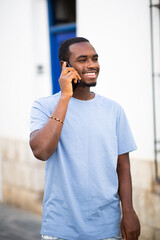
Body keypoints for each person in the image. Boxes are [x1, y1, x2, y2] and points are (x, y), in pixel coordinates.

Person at [30, 37, 140, 240]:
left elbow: (123, 166)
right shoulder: (43, 106)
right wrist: (65, 97)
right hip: (61, 228)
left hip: (107, 227)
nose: (92, 65)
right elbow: (41, 151)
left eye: (95, 59)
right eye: (83, 60)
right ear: (66, 66)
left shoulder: (113, 110)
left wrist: (129, 211)